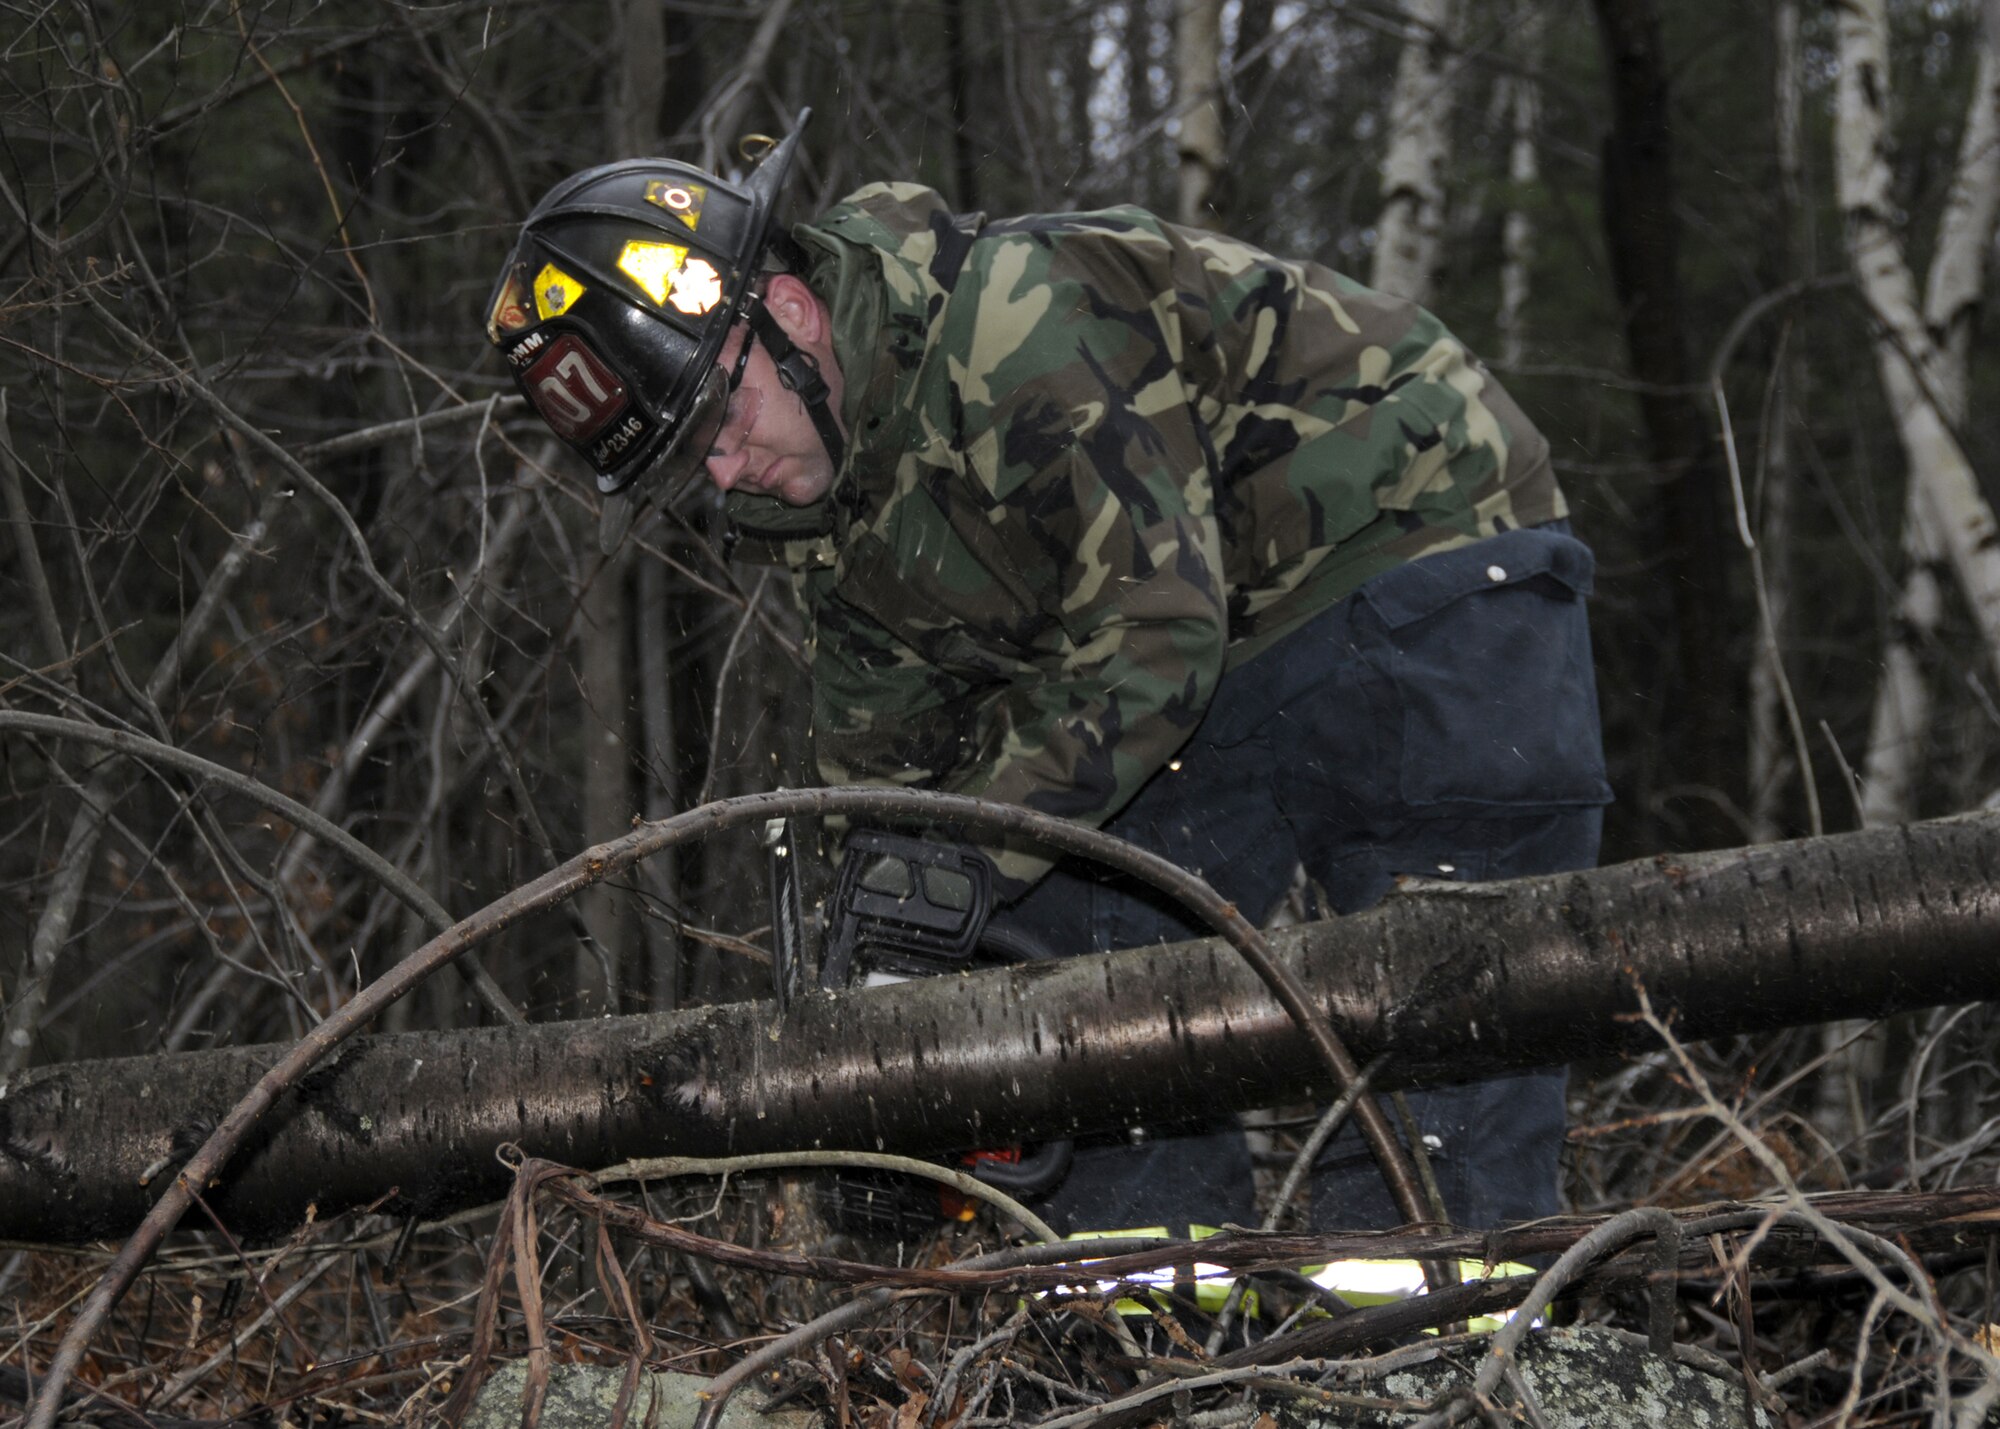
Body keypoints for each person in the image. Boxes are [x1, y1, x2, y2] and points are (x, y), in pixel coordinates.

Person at [486, 115, 1613, 1238]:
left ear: (787, 314)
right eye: (693, 456)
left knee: (1440, 984)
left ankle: (1434, 1352)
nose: (725, 468)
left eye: (720, 417)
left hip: (1418, 543)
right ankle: (1146, 1337)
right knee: (1082, 979)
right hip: (1221, 640)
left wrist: (959, 870)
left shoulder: (1013, 327)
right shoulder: (833, 524)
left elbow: (1154, 635)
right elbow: (885, 797)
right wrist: (877, 1042)